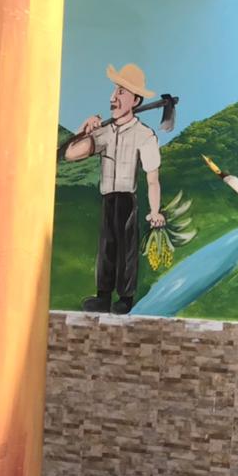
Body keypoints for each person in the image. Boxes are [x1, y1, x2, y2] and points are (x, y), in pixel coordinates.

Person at [64, 63, 166, 316]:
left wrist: (155, 211)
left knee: (126, 249)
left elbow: (152, 178)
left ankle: (125, 298)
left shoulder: (144, 135)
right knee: (106, 248)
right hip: (107, 198)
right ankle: (103, 296)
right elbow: (70, 154)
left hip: (127, 199)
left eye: (120, 92)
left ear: (135, 100)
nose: (113, 98)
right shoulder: (105, 133)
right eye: (114, 91)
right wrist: (83, 130)